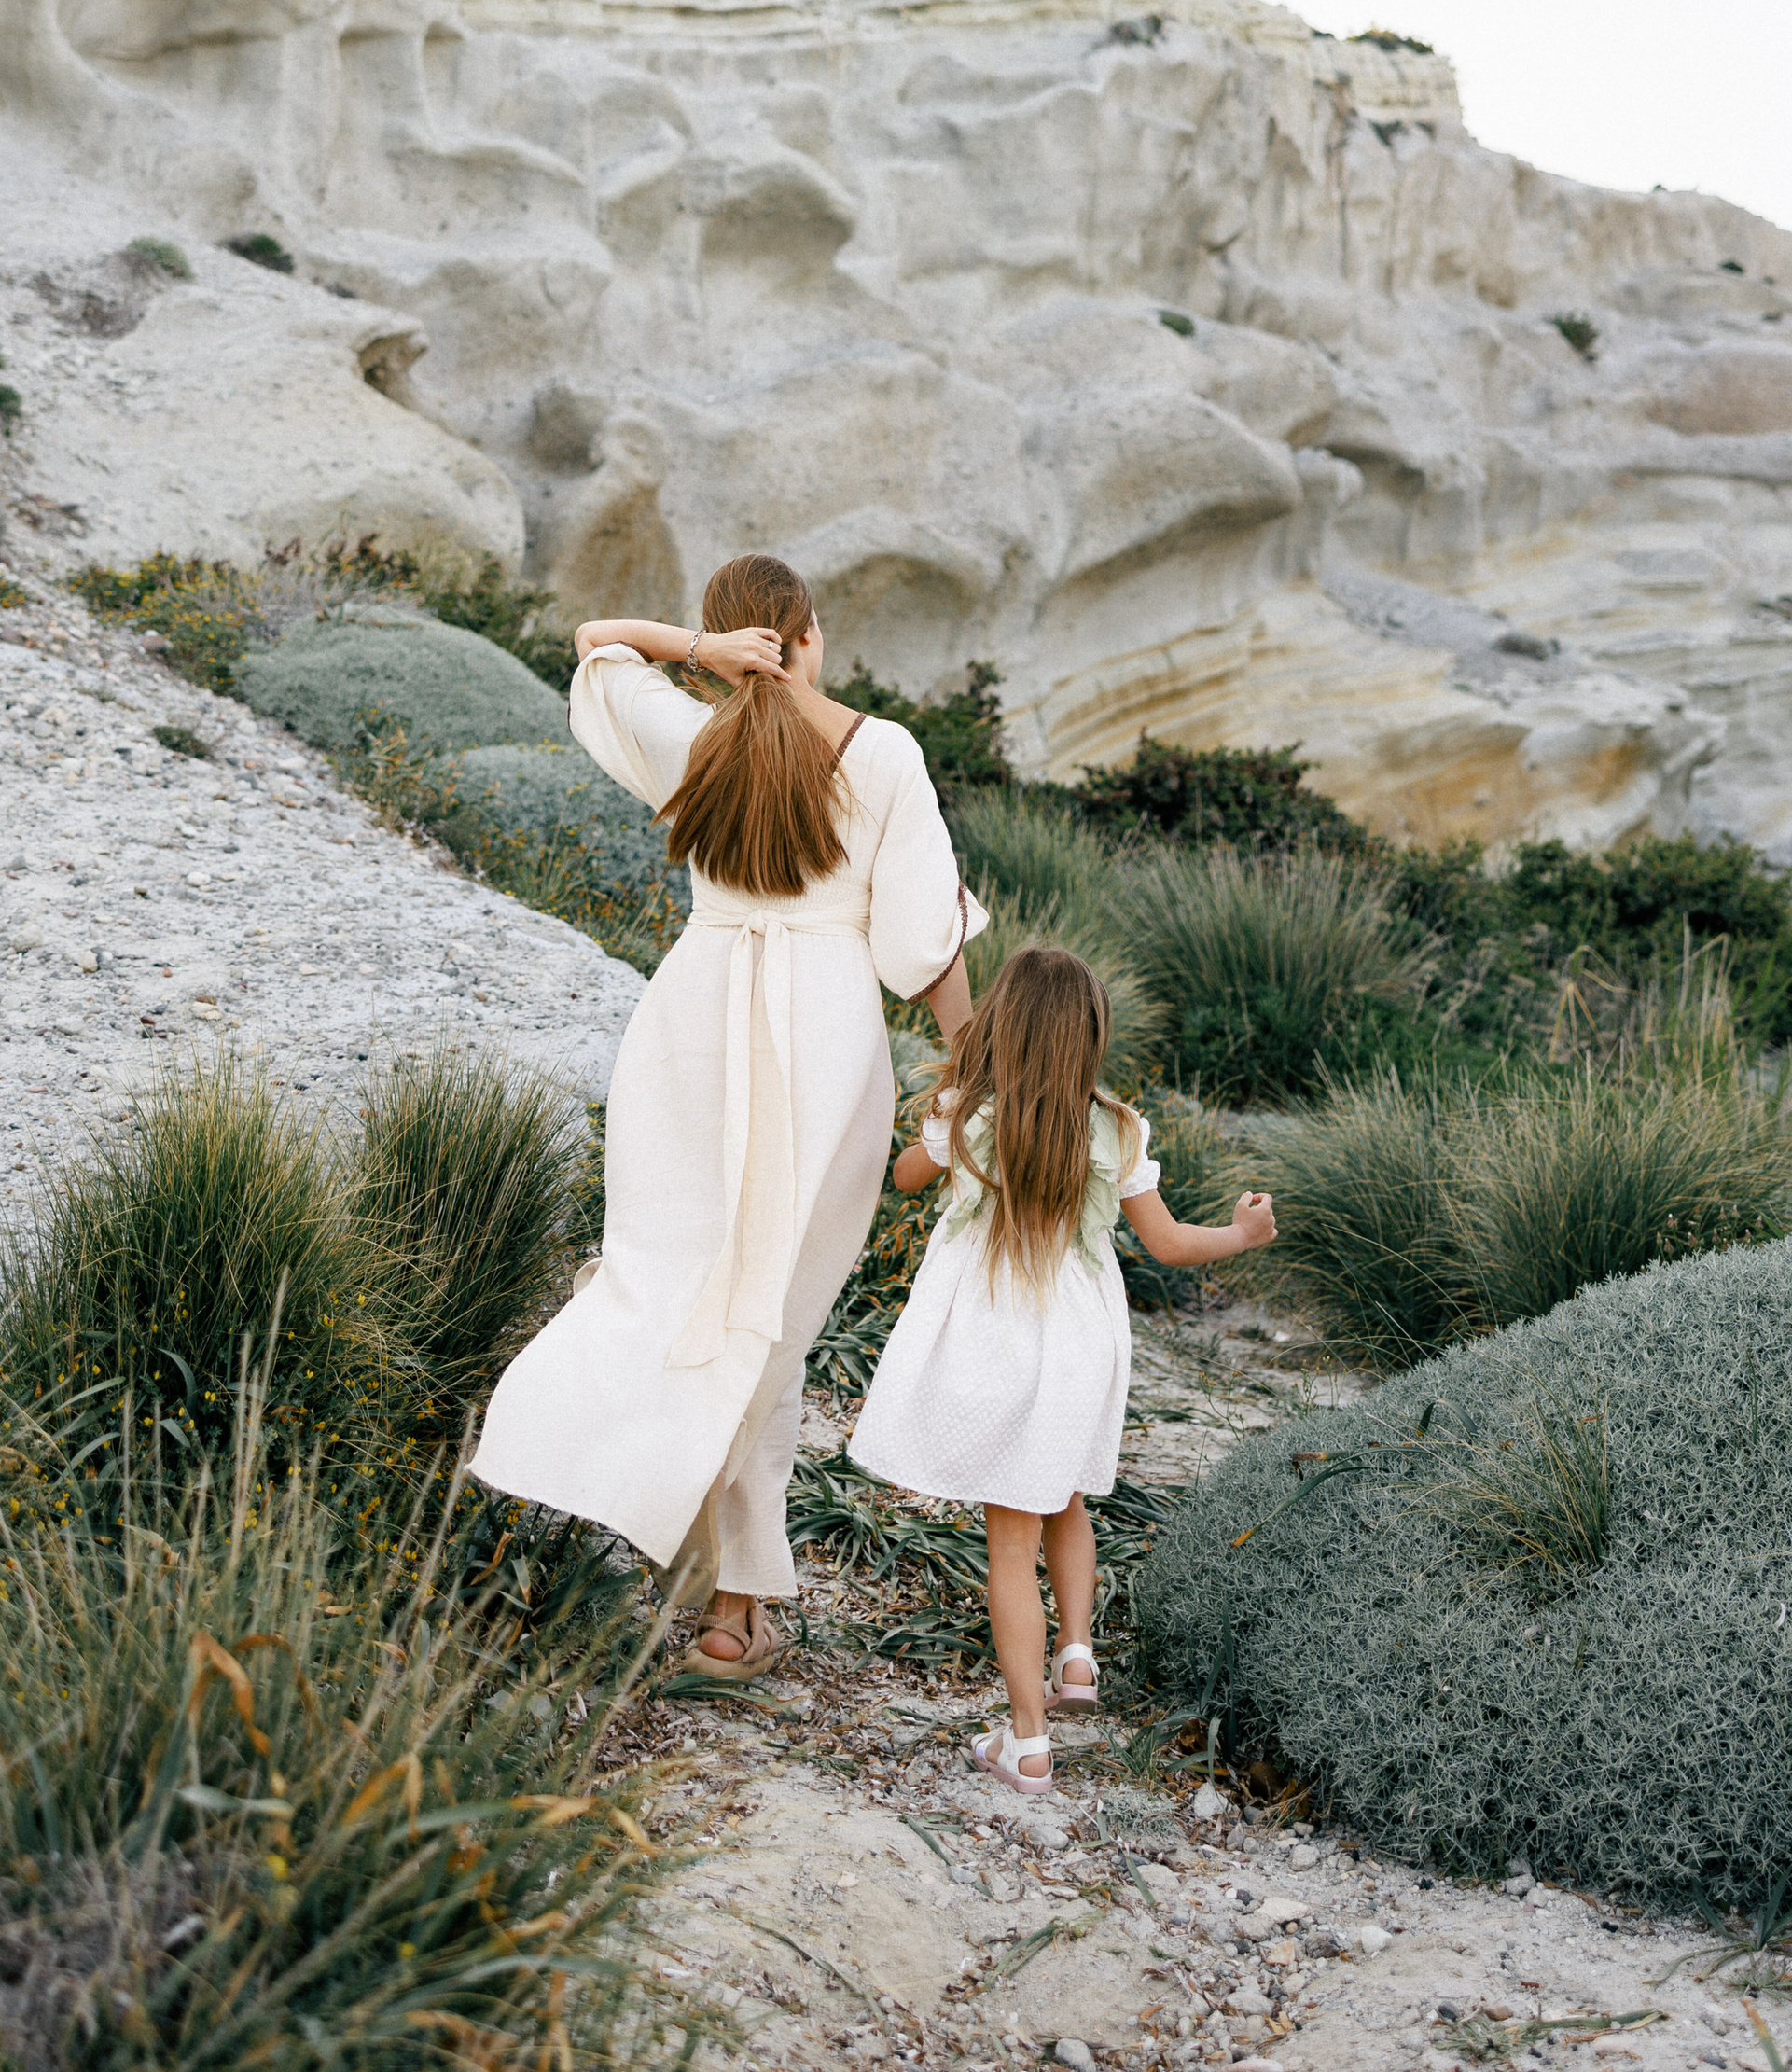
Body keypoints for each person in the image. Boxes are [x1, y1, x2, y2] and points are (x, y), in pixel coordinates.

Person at [468, 551, 983, 1676]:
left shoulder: (692, 734)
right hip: (824, 1038)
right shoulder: (882, 750)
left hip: (690, 1020)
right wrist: (970, 1069)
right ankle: (735, 1603)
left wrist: (695, 655)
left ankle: (597, 1487)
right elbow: (916, 945)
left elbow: (597, 645)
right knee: (769, 1319)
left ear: (726, 639)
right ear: (806, 631)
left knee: (657, 1278)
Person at [850, 943, 1277, 1792]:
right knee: (1065, 1493)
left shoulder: (968, 1114)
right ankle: (1076, 1654)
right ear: (1090, 1035)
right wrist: (1240, 1234)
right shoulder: (1118, 1127)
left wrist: (930, 1118)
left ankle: (1029, 1741)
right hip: (1082, 1344)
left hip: (995, 1339)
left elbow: (900, 1180)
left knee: (1010, 1540)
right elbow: (1166, 1243)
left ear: (1002, 1024)